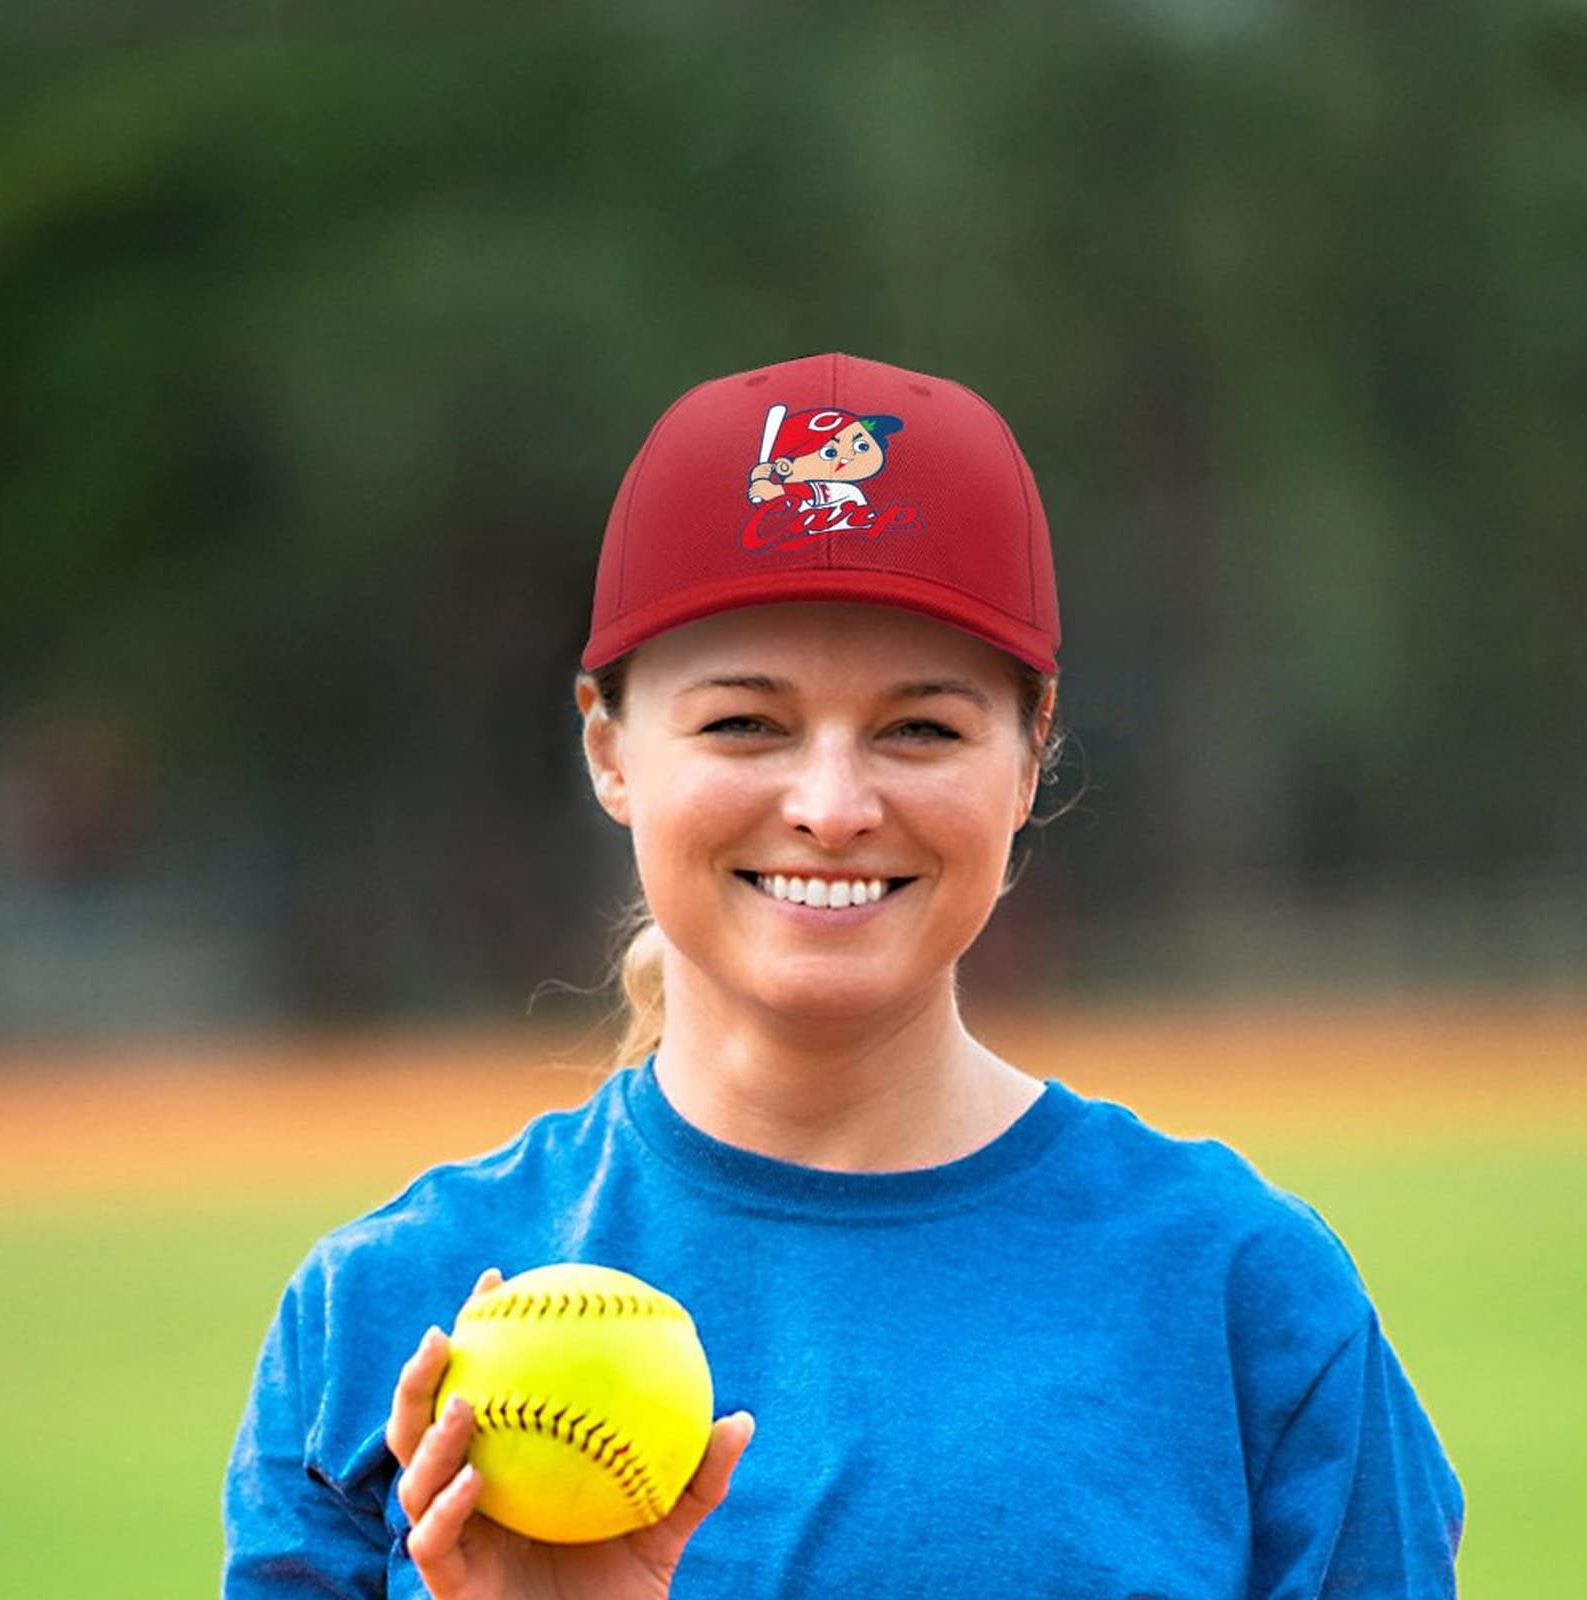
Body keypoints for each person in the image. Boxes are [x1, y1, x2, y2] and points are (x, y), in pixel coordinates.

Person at [223, 352, 1466, 1599]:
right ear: (608, 749)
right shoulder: (387, 1320)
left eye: (919, 726)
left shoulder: (1238, 1294)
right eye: (744, 723)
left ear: (1029, 760)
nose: (830, 806)